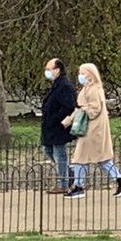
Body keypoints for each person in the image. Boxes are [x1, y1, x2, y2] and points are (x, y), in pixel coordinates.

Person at [61, 63, 121, 199]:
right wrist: (69, 120)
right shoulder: (89, 88)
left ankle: (78, 186)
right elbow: (82, 108)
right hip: (91, 128)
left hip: (93, 129)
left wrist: (82, 110)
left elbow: (94, 109)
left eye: (83, 73)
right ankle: (120, 179)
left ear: (90, 75)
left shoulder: (94, 90)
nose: (80, 75)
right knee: (100, 158)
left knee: (80, 157)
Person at [41, 58, 76, 194]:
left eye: (49, 69)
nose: (47, 72)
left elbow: (69, 106)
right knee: (47, 150)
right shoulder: (57, 84)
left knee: (59, 153)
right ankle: (69, 174)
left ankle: (63, 183)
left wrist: (55, 118)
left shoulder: (64, 85)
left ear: (57, 70)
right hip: (51, 126)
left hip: (59, 126)